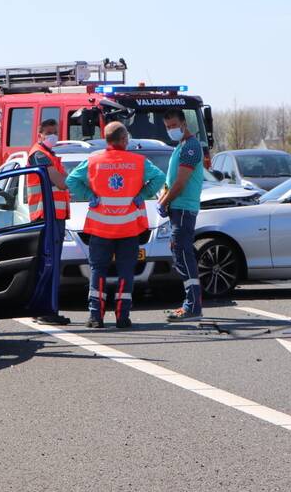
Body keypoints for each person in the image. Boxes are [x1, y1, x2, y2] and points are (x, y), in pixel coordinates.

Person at [66, 122, 165, 328]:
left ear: (107, 140)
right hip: (129, 228)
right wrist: (142, 195)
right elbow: (159, 178)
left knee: (98, 271)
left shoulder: (94, 161)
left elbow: (72, 180)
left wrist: (89, 196)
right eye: (126, 139)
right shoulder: (138, 162)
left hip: (101, 228)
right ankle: (122, 317)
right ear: (122, 140)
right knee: (125, 272)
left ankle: (96, 317)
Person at [158, 108, 205, 323]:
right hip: (178, 209)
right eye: (168, 127)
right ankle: (191, 303)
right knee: (179, 254)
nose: (171, 130)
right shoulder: (181, 146)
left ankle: (193, 305)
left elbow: (181, 182)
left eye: (174, 125)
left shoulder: (191, 147)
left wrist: (165, 200)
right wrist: (164, 197)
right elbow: (171, 180)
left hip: (184, 208)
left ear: (184, 124)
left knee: (184, 255)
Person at [28, 119, 72, 325]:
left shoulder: (49, 155)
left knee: (50, 264)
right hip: (47, 217)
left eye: (55, 132)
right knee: (49, 264)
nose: (53, 135)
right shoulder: (39, 154)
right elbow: (62, 182)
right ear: (40, 135)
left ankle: (44, 309)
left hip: (54, 216)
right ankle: (46, 310)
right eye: (48, 132)